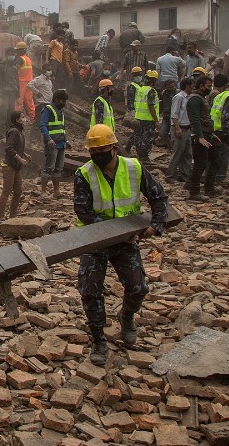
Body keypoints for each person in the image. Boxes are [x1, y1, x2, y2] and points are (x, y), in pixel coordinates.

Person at [74, 124, 168, 366]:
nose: (96, 156)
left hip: (125, 241)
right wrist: (112, 231)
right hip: (93, 240)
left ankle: (126, 317)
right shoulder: (84, 174)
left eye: (101, 150)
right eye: (92, 152)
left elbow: (158, 196)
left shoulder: (133, 167)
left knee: (138, 288)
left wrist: (156, 224)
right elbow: (83, 211)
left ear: (114, 148)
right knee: (90, 290)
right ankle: (98, 339)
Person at [184, 75, 223, 200]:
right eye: (208, 86)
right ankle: (194, 192)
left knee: (216, 160)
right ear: (201, 86)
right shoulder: (195, 99)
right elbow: (195, 120)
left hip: (206, 134)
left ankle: (209, 188)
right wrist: (200, 136)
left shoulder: (201, 98)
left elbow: (203, 119)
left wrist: (211, 134)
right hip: (200, 136)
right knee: (200, 164)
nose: (210, 88)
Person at [0, 111, 32, 221]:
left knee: (18, 191)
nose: (24, 119)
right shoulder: (14, 132)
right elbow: (9, 148)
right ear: (17, 120)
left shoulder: (20, 132)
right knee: (6, 192)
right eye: (22, 117)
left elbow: (17, 147)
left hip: (16, 167)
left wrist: (25, 154)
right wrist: (20, 158)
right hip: (9, 166)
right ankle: (0, 217)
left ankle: (12, 216)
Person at [38, 89, 71, 197]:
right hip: (52, 144)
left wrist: (66, 140)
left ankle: (56, 191)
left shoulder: (61, 111)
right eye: (62, 101)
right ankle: (43, 191)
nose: (64, 103)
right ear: (56, 100)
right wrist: (48, 139)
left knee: (58, 168)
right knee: (48, 168)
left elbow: (61, 128)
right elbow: (43, 125)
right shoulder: (48, 109)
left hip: (61, 143)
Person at [165, 77, 195, 183]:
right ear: (187, 86)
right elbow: (174, 114)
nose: (193, 87)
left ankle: (184, 175)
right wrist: (177, 128)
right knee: (177, 153)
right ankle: (170, 176)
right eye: (192, 85)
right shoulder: (179, 97)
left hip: (187, 128)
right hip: (179, 128)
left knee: (187, 154)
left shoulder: (189, 98)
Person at [126, 69, 160, 161]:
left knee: (139, 136)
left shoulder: (141, 89)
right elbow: (151, 106)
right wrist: (156, 121)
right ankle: (144, 157)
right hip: (148, 119)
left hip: (139, 117)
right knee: (147, 139)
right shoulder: (151, 91)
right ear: (154, 80)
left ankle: (140, 155)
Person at [15, 41, 36, 122]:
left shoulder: (21, 59)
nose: (17, 52)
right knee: (30, 102)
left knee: (19, 101)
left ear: (21, 50)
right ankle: (33, 119)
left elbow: (15, 69)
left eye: (17, 50)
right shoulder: (28, 59)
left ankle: (17, 119)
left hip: (22, 82)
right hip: (30, 82)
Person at [157, 79, 178, 149]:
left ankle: (174, 149)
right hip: (166, 117)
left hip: (174, 118)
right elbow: (161, 104)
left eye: (172, 87)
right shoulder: (163, 93)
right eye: (170, 87)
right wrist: (159, 114)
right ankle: (170, 146)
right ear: (166, 87)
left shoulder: (177, 93)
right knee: (162, 134)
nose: (171, 89)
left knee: (174, 136)